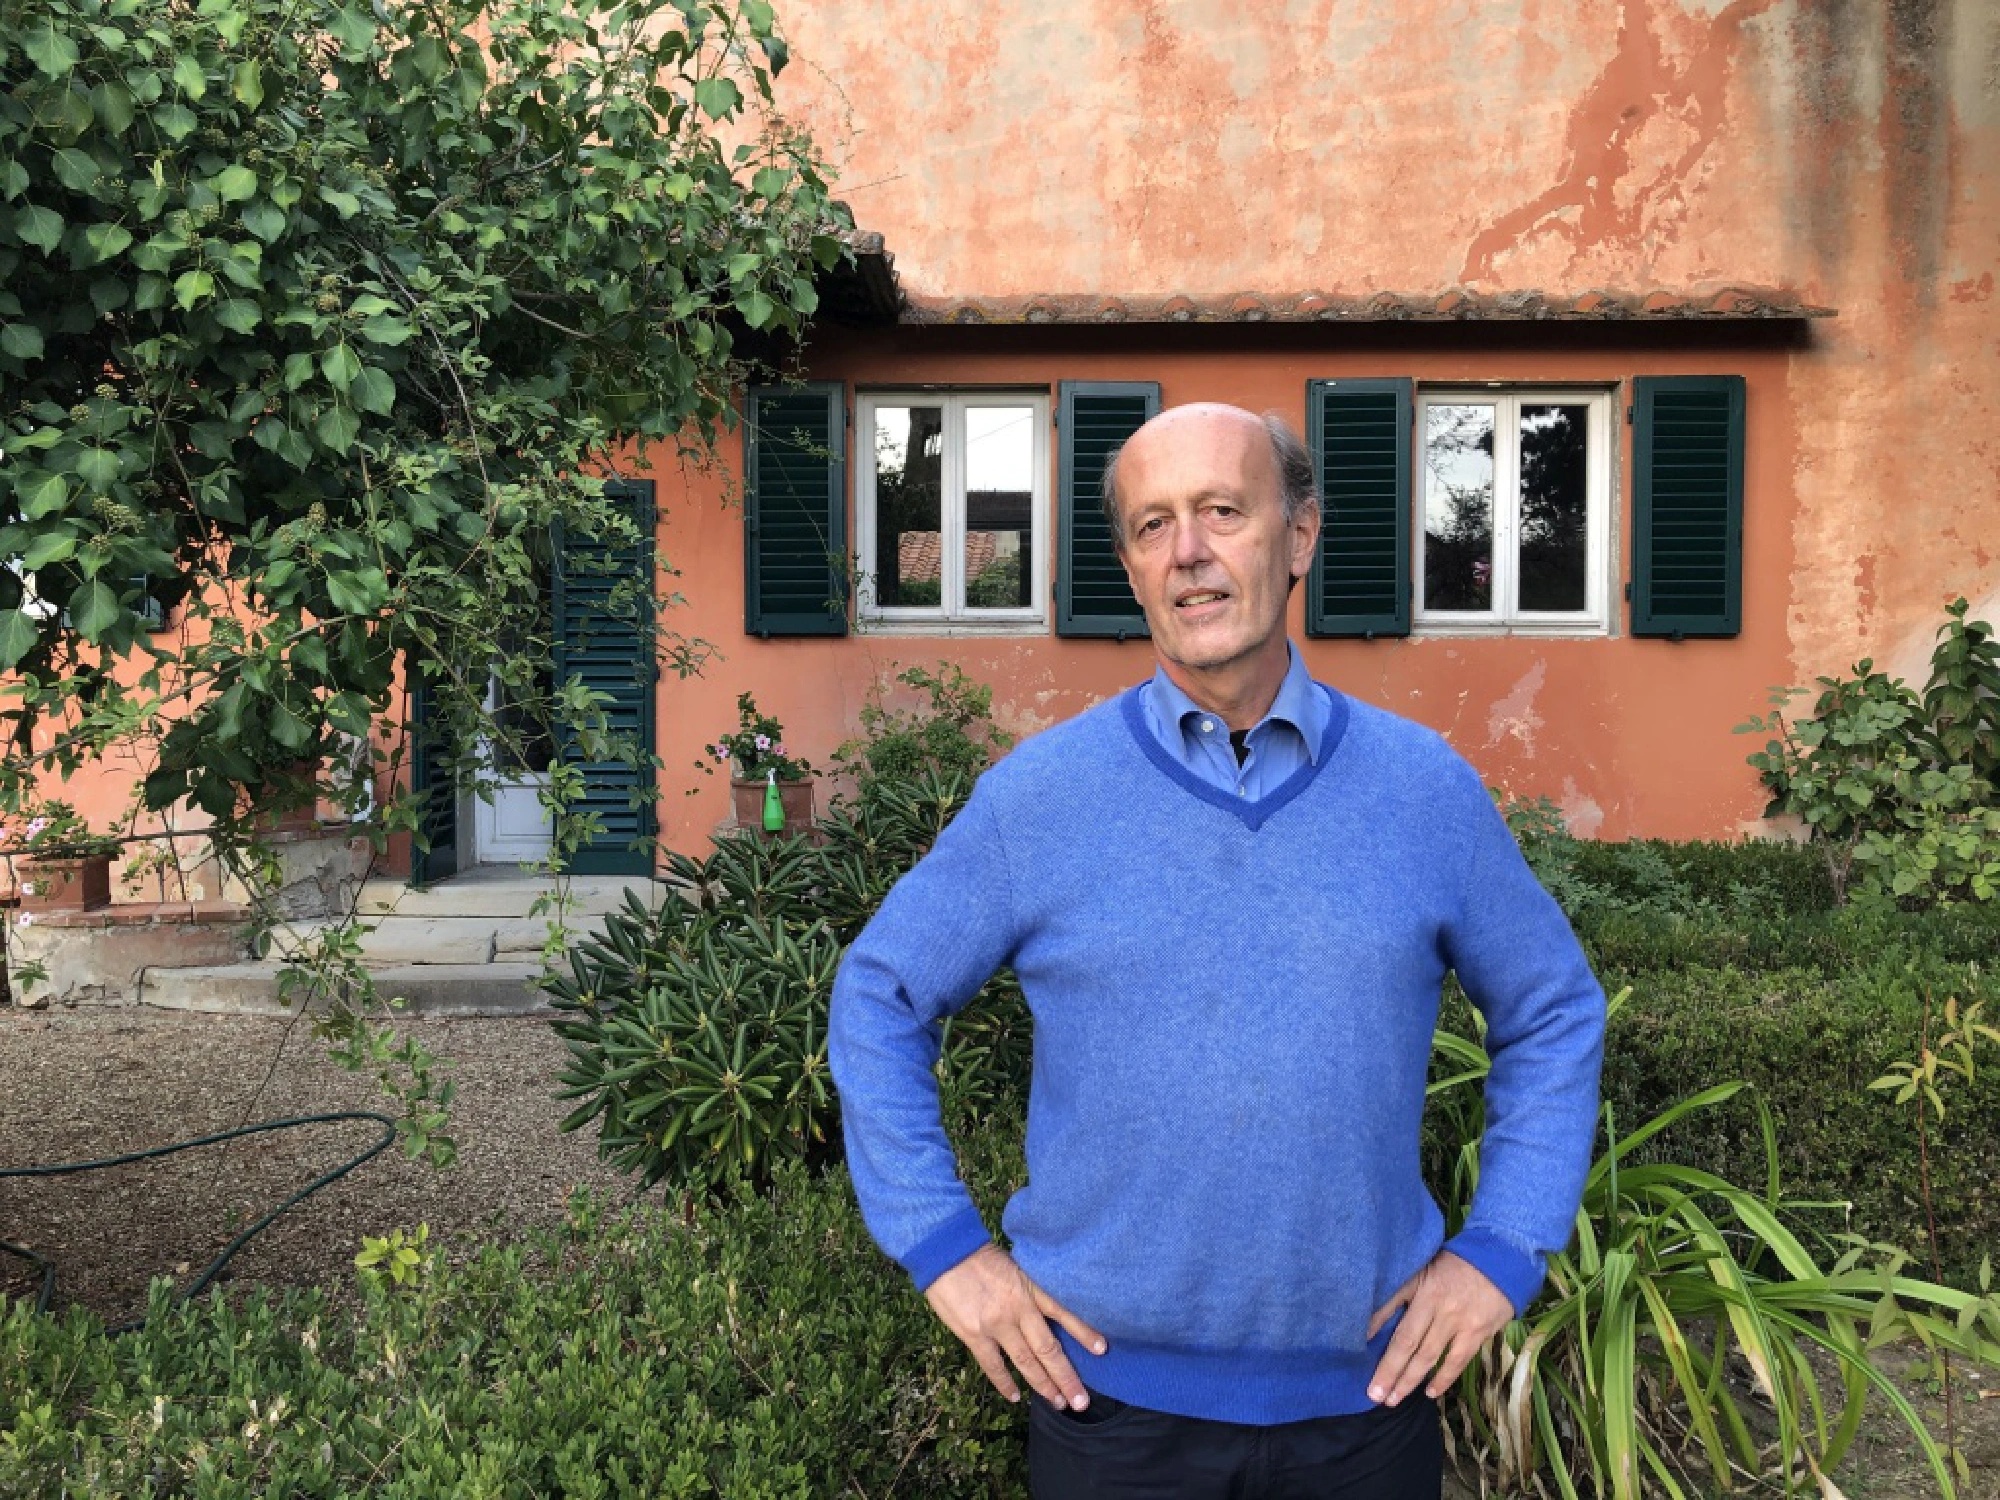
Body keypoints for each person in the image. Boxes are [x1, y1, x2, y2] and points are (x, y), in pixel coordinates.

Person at [829, 402, 1606, 1498]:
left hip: (1366, 1409)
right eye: (1151, 526)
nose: (1186, 551)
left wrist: (1500, 1253)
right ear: (1131, 570)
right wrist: (944, 1251)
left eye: (1220, 511)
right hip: (1106, 1412)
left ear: (1297, 538)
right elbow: (879, 992)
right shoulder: (1039, 800)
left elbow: (1553, 1011)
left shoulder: (1421, 791)